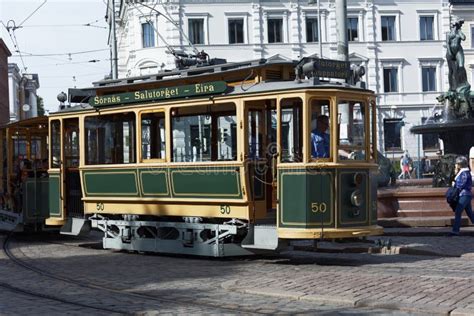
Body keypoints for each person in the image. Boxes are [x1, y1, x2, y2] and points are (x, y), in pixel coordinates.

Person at [449, 156, 474, 236]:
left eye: (456, 163)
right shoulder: (464, 172)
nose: (455, 165)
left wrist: (454, 184)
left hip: (464, 195)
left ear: (460, 164)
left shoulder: (464, 173)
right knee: (470, 213)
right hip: (466, 195)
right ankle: (455, 231)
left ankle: (455, 231)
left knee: (458, 212)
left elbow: (461, 184)